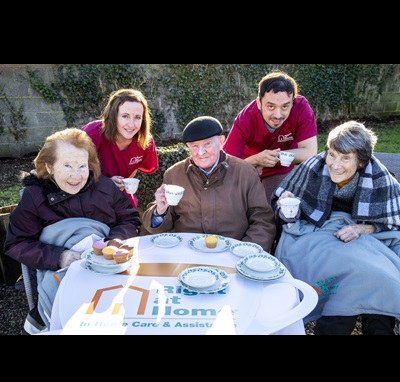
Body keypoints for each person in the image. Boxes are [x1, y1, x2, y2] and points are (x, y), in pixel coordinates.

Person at [4, 128, 141, 334]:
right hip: (60, 273)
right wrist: (59, 257)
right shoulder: (35, 196)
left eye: (82, 166)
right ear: (49, 167)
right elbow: (16, 243)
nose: (76, 176)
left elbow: (129, 218)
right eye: (67, 165)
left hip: (106, 268)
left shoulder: (104, 186)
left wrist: (115, 241)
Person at [272, 120, 400, 335]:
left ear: (361, 162)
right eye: (332, 154)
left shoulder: (380, 178)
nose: (335, 164)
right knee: (369, 275)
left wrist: (364, 228)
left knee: (378, 279)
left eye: (346, 158)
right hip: (318, 234)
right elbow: (284, 217)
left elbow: (392, 222)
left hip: (359, 238)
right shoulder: (312, 167)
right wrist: (285, 204)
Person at [142, 116, 276, 253]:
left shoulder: (245, 173)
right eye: (194, 146)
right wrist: (159, 211)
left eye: (207, 144)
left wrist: (244, 252)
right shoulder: (174, 174)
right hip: (187, 254)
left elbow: (262, 220)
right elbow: (157, 228)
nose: (201, 152)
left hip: (232, 253)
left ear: (221, 141)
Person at [223, 70, 318, 204]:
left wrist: (274, 156)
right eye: (271, 106)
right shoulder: (245, 119)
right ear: (259, 103)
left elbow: (309, 152)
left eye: (285, 106)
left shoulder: (301, 107)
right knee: (236, 208)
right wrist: (256, 160)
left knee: (273, 210)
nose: (278, 115)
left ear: (293, 102)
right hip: (247, 167)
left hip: (280, 169)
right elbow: (226, 166)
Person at [81, 88, 159, 209]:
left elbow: (134, 168)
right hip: (88, 194)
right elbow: (73, 170)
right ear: (113, 116)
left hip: (121, 197)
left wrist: (123, 183)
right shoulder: (93, 133)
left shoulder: (145, 141)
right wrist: (105, 183)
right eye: (125, 116)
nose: (131, 124)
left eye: (137, 117)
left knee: (130, 220)